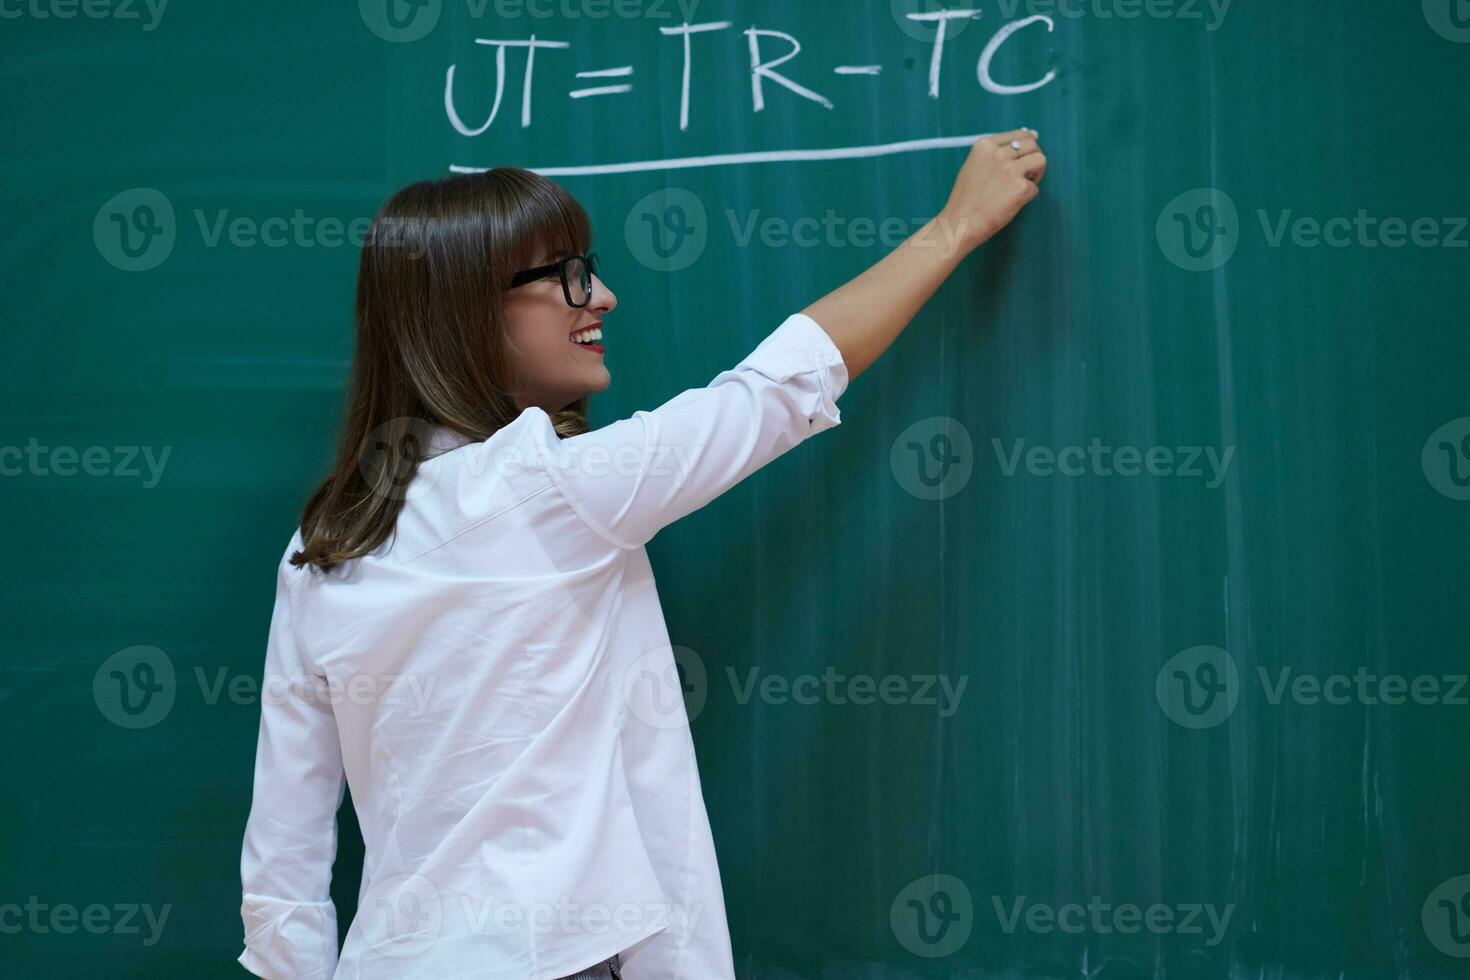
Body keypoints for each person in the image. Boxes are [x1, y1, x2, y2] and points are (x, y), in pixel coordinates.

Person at [236, 129, 1046, 980]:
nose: (604, 297)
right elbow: (779, 388)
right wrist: (957, 225)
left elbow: (283, 865)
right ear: (471, 309)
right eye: (569, 277)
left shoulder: (326, 544)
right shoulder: (551, 492)